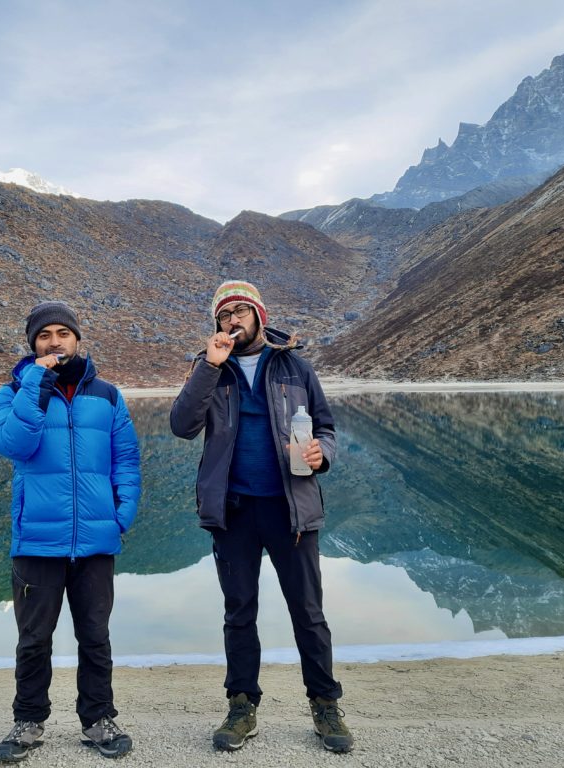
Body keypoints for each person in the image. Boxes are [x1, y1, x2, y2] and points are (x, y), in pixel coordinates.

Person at [169, 280, 353, 753]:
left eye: (241, 310)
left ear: (259, 316)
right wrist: (209, 366)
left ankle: (325, 704)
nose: (233, 318)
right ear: (217, 324)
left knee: (308, 613)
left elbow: (327, 426)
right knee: (239, 612)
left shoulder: (294, 367)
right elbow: (182, 426)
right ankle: (242, 705)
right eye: (225, 313)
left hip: (291, 511)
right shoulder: (210, 369)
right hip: (233, 512)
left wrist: (321, 454)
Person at [0, 300, 141, 762]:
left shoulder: (108, 396)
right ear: (33, 344)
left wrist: (121, 515)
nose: (55, 342)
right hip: (37, 540)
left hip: (96, 541)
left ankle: (98, 720)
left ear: (78, 338)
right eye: (44, 336)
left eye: (63, 333)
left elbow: (127, 460)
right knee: (34, 639)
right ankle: (28, 722)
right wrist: (34, 382)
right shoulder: (13, 392)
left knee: (95, 635)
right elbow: (11, 444)